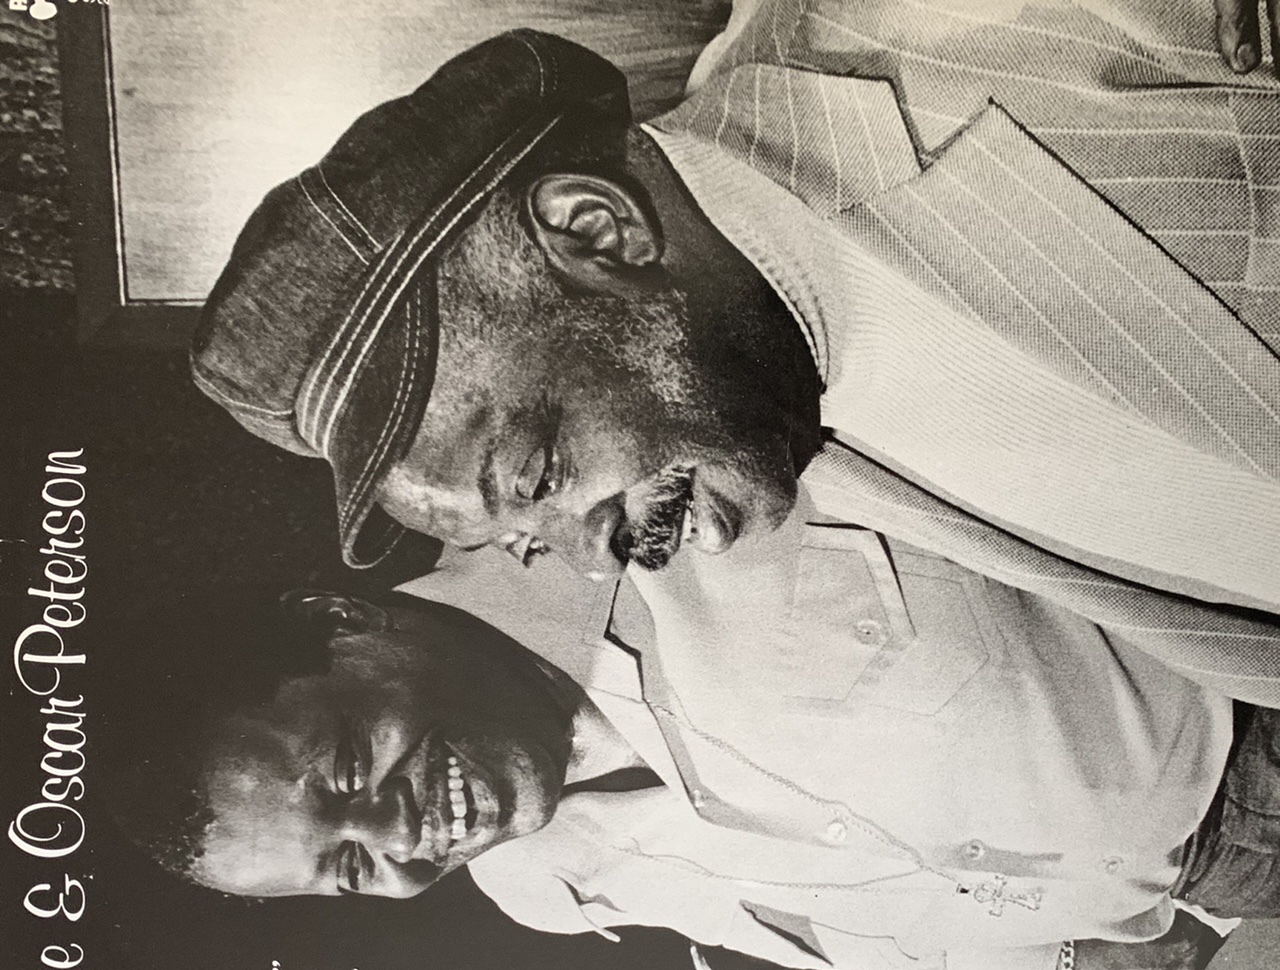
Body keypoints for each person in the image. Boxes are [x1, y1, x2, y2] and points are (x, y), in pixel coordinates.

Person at [192, 10, 1280, 709]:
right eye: (526, 542)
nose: (595, 565)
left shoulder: (935, 23)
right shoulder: (777, 411)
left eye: (535, 476)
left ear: (596, 231)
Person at [105, 584, 1270, 970]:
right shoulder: (537, 888)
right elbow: (830, 926)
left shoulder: (645, 526)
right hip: (1203, 881)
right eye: (349, 865)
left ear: (341, 622)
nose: (398, 837)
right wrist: (1039, 964)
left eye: (347, 770)